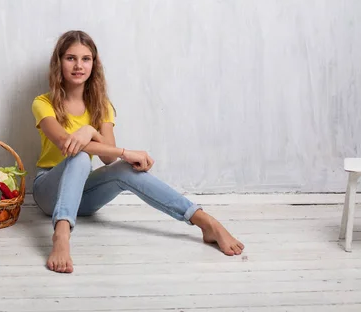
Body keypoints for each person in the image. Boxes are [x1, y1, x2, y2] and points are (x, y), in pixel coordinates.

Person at [31, 30, 244, 273]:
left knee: (123, 169)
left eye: (86, 59)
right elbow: (65, 144)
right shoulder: (43, 103)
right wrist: (125, 151)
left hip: (83, 196)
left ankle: (205, 221)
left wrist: (90, 130)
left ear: (94, 64)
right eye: (70, 58)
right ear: (59, 62)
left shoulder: (102, 107)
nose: (79, 65)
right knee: (78, 156)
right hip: (48, 190)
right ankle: (61, 236)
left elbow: (108, 158)